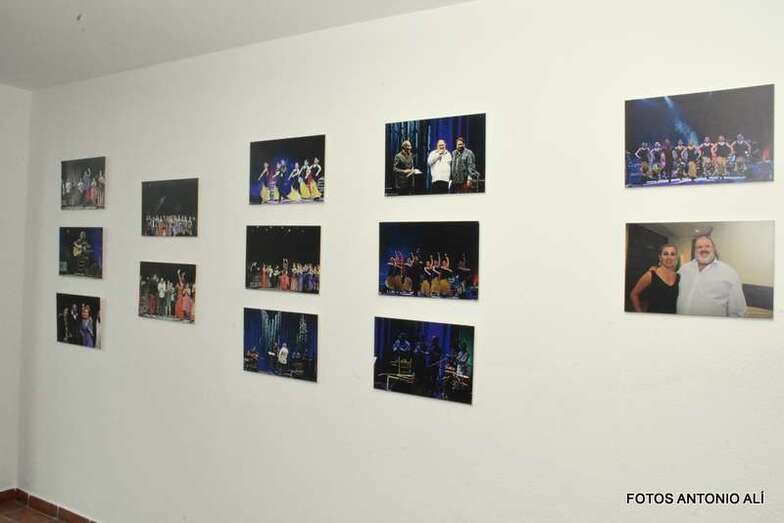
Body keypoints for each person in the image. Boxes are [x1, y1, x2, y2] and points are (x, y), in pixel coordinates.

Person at [677, 235, 746, 317]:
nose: (703, 249)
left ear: (714, 249)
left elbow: (737, 311)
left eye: (707, 246)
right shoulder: (684, 269)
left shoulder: (729, 273)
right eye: (699, 247)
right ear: (695, 250)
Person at [629, 244, 680, 314]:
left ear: (676, 257)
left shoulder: (678, 277)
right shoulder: (651, 275)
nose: (669, 257)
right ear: (660, 257)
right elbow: (633, 294)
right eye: (665, 254)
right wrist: (640, 314)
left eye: (672, 254)